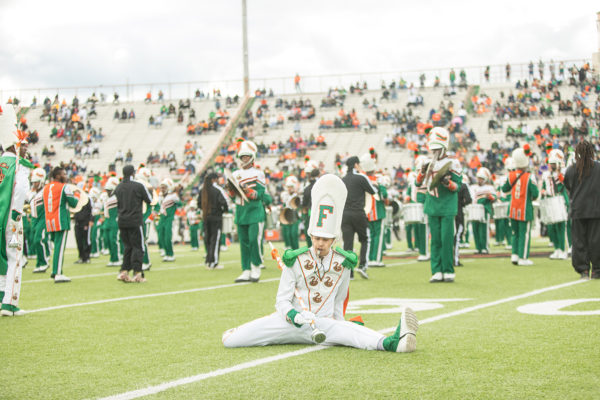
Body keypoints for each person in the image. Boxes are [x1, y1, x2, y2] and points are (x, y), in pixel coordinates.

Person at [222, 174, 419, 353]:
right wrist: (293, 315)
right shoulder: (295, 259)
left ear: (334, 240)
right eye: (316, 238)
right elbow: (281, 301)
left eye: (325, 239)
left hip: (323, 324)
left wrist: (340, 326)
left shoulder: (343, 263)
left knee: (353, 334)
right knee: (231, 340)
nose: (320, 244)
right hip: (288, 323)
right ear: (310, 236)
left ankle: (393, 343)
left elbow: (340, 301)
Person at [415, 127, 462, 282]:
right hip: (432, 205)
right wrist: (423, 171)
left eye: (437, 148)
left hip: (448, 206)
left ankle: (448, 270)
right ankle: (436, 271)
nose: (435, 151)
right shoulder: (426, 162)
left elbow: (457, 187)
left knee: (447, 239)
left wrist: (447, 182)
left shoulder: (453, 163)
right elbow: (417, 183)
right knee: (435, 240)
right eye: (433, 148)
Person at [0, 105, 32, 316]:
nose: (25, 148)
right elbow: (21, 190)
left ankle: (2, 296)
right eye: (23, 144)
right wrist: (17, 213)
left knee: (1, 259)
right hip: (12, 219)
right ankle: (10, 302)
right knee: (15, 259)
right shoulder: (20, 165)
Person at [227, 141, 267, 282]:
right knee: (243, 242)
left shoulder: (259, 174)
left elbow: (261, 193)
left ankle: (256, 267)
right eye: (242, 156)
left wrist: (249, 192)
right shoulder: (235, 173)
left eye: (247, 156)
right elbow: (233, 196)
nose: (244, 159)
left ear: (252, 157)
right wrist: (231, 191)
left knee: (253, 240)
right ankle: (246, 270)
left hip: (254, 212)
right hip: (241, 211)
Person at [563, 141, 600, 279]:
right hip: (596, 210)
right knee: (596, 241)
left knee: (579, 241)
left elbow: (567, 185)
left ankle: (583, 270)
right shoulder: (598, 167)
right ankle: (597, 270)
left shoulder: (572, 169)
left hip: (578, 210)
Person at [341, 155, 378, 279]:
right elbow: (373, 191)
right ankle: (362, 266)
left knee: (347, 244)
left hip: (345, 215)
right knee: (364, 239)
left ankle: (348, 272)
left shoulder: (342, 179)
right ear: (356, 165)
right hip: (358, 213)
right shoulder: (361, 177)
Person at [114, 165, 152, 283]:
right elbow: (149, 200)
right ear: (133, 173)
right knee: (138, 247)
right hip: (135, 220)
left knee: (128, 247)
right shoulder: (139, 186)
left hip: (122, 220)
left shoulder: (118, 187)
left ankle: (124, 271)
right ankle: (137, 273)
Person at [502, 147, 539, 266]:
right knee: (524, 234)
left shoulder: (511, 175)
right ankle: (523, 257)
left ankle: (514, 255)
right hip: (524, 209)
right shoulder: (529, 176)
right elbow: (536, 193)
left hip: (512, 208)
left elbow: (504, 189)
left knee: (515, 232)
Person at [43, 166, 79, 283]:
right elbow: (73, 203)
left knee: (56, 247)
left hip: (49, 221)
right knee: (59, 248)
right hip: (61, 221)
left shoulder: (46, 187)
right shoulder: (65, 187)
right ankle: (58, 273)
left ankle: (55, 271)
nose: (66, 176)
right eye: (64, 174)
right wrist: (77, 196)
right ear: (58, 176)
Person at [541, 149, 569, 260]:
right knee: (552, 227)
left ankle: (563, 249)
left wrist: (557, 173)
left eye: (553, 164)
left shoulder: (562, 174)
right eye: (550, 163)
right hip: (549, 201)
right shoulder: (545, 174)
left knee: (561, 227)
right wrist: (543, 191)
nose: (551, 165)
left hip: (559, 200)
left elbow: (562, 186)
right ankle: (556, 249)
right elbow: (544, 186)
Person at [197, 172, 229, 269]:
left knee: (208, 239)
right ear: (214, 179)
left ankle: (208, 260)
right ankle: (214, 262)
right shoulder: (217, 190)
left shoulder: (202, 191)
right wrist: (224, 211)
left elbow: (198, 204)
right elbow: (224, 203)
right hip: (216, 218)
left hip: (206, 217)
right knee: (215, 239)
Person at [29, 168, 51, 273]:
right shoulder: (34, 193)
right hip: (34, 219)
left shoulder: (45, 191)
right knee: (35, 241)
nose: (34, 184)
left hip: (43, 218)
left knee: (39, 239)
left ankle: (44, 262)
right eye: (33, 182)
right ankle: (39, 262)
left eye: (36, 182)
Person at [472, 167, 496, 255]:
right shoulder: (473, 187)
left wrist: (489, 196)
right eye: (478, 178)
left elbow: (494, 198)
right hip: (474, 210)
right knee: (475, 229)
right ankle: (478, 247)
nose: (479, 180)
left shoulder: (489, 187)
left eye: (481, 178)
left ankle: (485, 247)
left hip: (484, 210)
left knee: (483, 230)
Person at [158, 178, 179, 262]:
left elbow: (180, 204)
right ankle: (166, 253)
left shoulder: (173, 196)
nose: (162, 189)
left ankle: (170, 254)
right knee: (161, 237)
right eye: (161, 187)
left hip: (169, 219)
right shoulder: (160, 196)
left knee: (167, 237)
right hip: (162, 218)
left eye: (164, 187)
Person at [301, 160, 320, 248]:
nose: (307, 175)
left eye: (309, 173)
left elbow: (304, 204)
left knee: (310, 233)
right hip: (320, 213)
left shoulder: (308, 188)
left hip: (312, 213)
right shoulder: (322, 185)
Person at [454, 175, 472, 267]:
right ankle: (455, 260)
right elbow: (469, 200)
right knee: (457, 237)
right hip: (458, 213)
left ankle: (445, 260)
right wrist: (461, 204)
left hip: (444, 213)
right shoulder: (462, 186)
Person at [103, 177, 121, 266]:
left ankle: (117, 258)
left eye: (109, 190)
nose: (108, 192)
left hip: (114, 221)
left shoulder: (117, 198)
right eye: (107, 190)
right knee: (108, 240)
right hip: (107, 221)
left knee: (114, 240)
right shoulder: (106, 198)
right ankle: (112, 258)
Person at [73, 187, 93, 264]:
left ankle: (87, 257)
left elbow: (91, 211)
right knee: (79, 241)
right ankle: (81, 256)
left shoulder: (88, 199)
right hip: (77, 223)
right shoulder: (76, 200)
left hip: (85, 223)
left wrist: (90, 220)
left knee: (86, 241)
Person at [280, 175, 300, 250]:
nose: (289, 189)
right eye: (288, 187)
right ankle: (288, 248)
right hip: (286, 215)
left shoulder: (297, 195)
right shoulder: (284, 195)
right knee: (286, 234)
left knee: (293, 234)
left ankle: (296, 249)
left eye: (291, 187)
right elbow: (284, 205)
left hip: (294, 215)